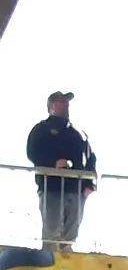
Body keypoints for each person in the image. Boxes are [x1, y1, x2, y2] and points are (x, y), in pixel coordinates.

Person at [26, 91, 94, 250]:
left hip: (76, 190)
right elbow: (32, 152)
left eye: (67, 102)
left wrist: (90, 184)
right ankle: (50, 269)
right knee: (52, 234)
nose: (66, 105)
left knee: (70, 237)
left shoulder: (78, 133)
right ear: (51, 105)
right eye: (62, 102)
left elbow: (91, 158)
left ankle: (66, 269)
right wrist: (53, 163)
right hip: (52, 188)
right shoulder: (41, 129)